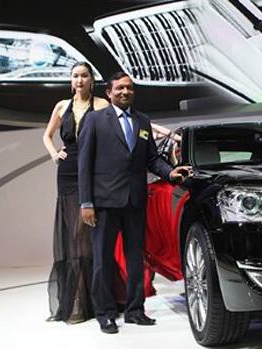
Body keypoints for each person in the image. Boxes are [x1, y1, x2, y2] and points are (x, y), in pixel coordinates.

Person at [78, 72, 192, 334]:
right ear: (109, 92)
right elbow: (84, 165)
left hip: (135, 202)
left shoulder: (142, 121)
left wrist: (170, 172)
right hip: (104, 204)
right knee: (103, 262)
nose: (125, 92)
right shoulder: (95, 120)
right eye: (119, 88)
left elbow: (152, 159)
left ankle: (135, 310)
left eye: (129, 88)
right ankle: (105, 313)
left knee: (135, 260)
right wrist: (86, 202)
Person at [43, 62, 110, 324]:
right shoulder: (62, 106)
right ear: (71, 80)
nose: (79, 80)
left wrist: (161, 133)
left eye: (84, 76)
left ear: (92, 80)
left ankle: (96, 300)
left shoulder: (103, 104)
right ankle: (74, 301)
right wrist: (54, 154)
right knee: (73, 236)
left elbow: (130, 120)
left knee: (89, 233)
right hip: (68, 172)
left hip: (94, 171)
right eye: (75, 76)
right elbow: (48, 136)